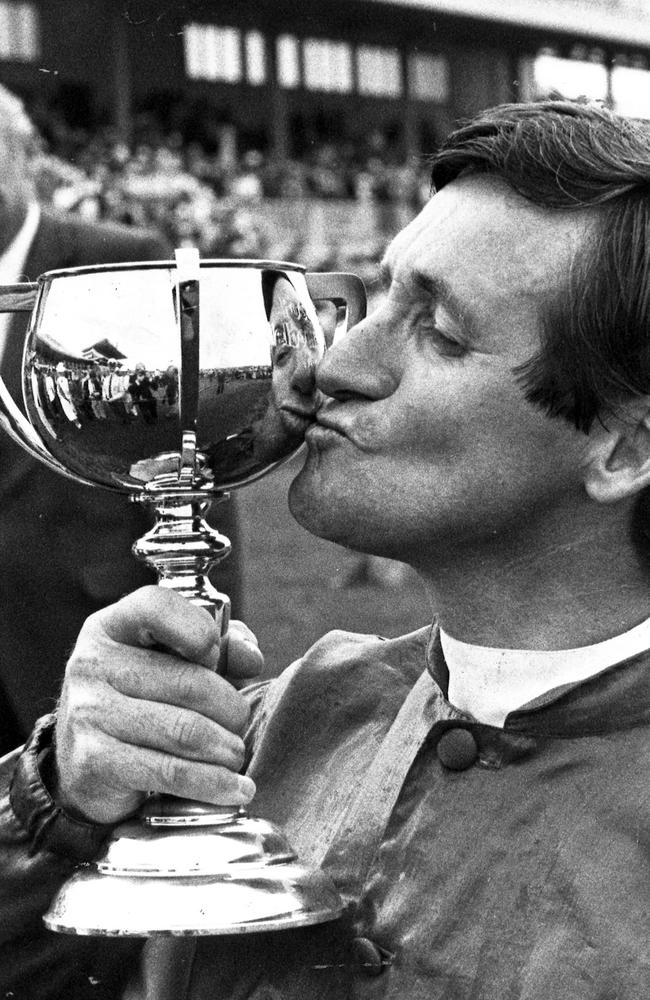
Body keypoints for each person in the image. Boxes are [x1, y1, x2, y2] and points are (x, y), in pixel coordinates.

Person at [2, 99, 650, 997]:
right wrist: (59, 796)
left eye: (442, 334)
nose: (331, 369)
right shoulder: (285, 718)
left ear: (625, 448)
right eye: (381, 297)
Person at [0, 85, 242, 756]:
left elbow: (195, 453)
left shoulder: (114, 256)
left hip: (86, 630)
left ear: (28, 158)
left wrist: (205, 629)